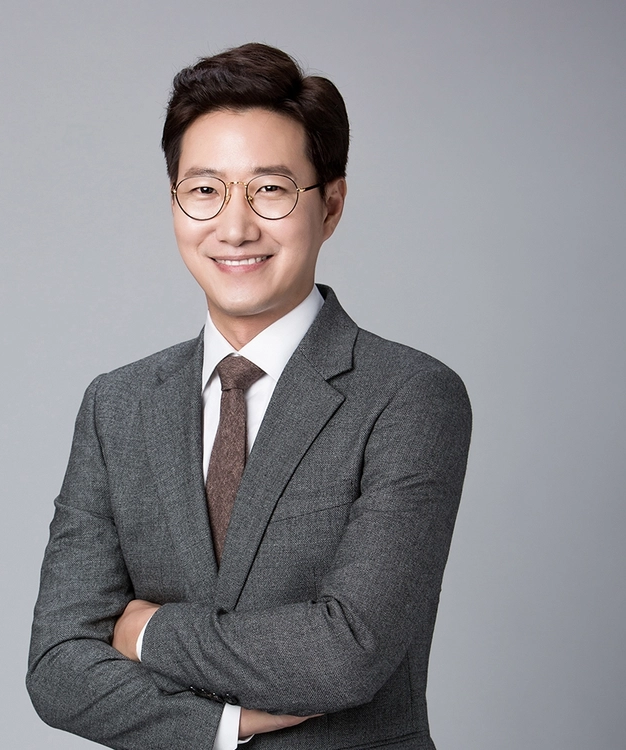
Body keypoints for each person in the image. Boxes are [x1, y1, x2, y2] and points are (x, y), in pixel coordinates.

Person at [27, 43, 472, 750]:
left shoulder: (408, 396)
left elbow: (346, 652)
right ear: (175, 203)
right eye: (205, 190)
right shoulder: (119, 406)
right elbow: (57, 665)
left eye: (270, 190)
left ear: (330, 205)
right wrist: (220, 725)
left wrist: (146, 631)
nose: (234, 227)